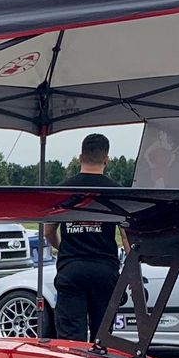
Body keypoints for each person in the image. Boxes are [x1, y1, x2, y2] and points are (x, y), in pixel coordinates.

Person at [48, 133, 124, 342]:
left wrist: (64, 248)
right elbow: (127, 237)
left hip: (71, 268)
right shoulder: (117, 192)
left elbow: (48, 232)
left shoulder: (62, 190)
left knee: (71, 340)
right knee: (103, 339)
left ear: (80, 157)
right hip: (105, 269)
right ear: (107, 159)